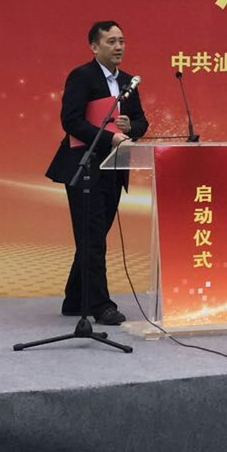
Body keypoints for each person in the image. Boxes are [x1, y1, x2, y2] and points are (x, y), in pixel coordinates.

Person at [45, 21, 149, 325]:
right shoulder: (82, 76)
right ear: (94, 47)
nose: (118, 47)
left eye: (122, 41)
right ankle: (100, 305)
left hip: (114, 169)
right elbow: (72, 121)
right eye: (111, 41)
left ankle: (75, 299)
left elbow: (142, 122)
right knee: (92, 238)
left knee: (94, 236)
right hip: (85, 167)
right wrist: (110, 137)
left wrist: (131, 127)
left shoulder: (128, 82)